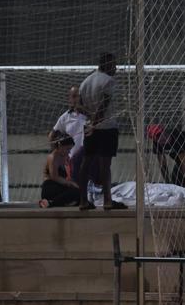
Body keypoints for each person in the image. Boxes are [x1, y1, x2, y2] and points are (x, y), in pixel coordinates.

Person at [77, 53, 127, 210]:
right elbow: (103, 106)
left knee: (86, 163)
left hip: (90, 128)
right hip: (106, 128)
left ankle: (83, 201)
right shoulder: (108, 81)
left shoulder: (85, 82)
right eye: (114, 65)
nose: (116, 68)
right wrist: (96, 120)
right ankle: (107, 200)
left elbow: (78, 106)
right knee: (105, 166)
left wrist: (91, 119)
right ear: (108, 64)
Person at [146, 123, 185, 191]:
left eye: (159, 134)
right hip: (180, 163)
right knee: (175, 180)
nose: (159, 138)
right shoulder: (157, 143)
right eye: (155, 138)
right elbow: (162, 164)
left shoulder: (178, 137)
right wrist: (168, 183)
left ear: (164, 131)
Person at [49, 85, 87, 180]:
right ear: (69, 99)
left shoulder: (90, 115)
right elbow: (51, 136)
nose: (77, 99)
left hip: (89, 158)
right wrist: (59, 156)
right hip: (72, 160)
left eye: (79, 96)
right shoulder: (65, 117)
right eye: (74, 96)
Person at [39, 134, 81, 208]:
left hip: (60, 187)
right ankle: (50, 203)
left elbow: (68, 176)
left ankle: (56, 202)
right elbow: (54, 177)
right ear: (60, 146)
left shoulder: (65, 157)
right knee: (76, 192)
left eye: (70, 149)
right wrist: (70, 183)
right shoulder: (53, 157)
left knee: (80, 195)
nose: (69, 152)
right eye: (67, 149)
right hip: (50, 187)